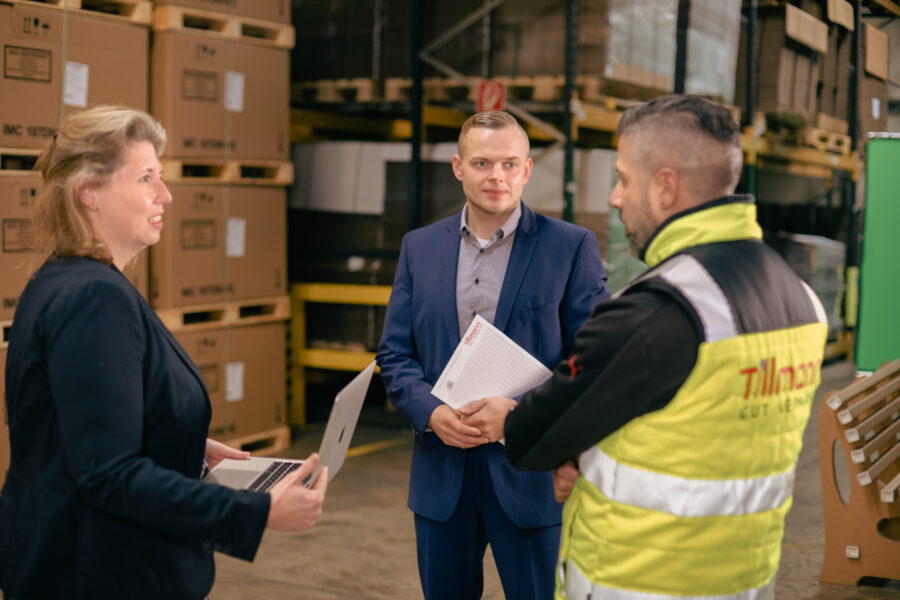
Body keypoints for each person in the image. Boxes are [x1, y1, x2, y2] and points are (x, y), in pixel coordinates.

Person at [503, 95, 829, 599]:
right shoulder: (801, 300)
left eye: (623, 179)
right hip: (743, 583)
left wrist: (518, 422)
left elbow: (531, 436)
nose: (615, 197)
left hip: (639, 582)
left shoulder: (658, 311)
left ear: (665, 188)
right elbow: (702, 428)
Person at [0, 106, 328, 599]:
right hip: (98, 576)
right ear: (88, 192)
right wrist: (258, 512)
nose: (165, 194)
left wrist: (177, 439)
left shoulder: (65, 279)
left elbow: (75, 428)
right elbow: (108, 476)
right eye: (145, 178)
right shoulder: (94, 297)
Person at [376, 110, 609, 599]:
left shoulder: (569, 247)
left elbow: (592, 360)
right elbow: (395, 354)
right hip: (443, 473)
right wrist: (430, 412)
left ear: (527, 170)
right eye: (482, 163)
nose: (496, 176)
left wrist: (520, 414)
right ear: (458, 167)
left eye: (509, 164)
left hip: (529, 475)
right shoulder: (419, 248)